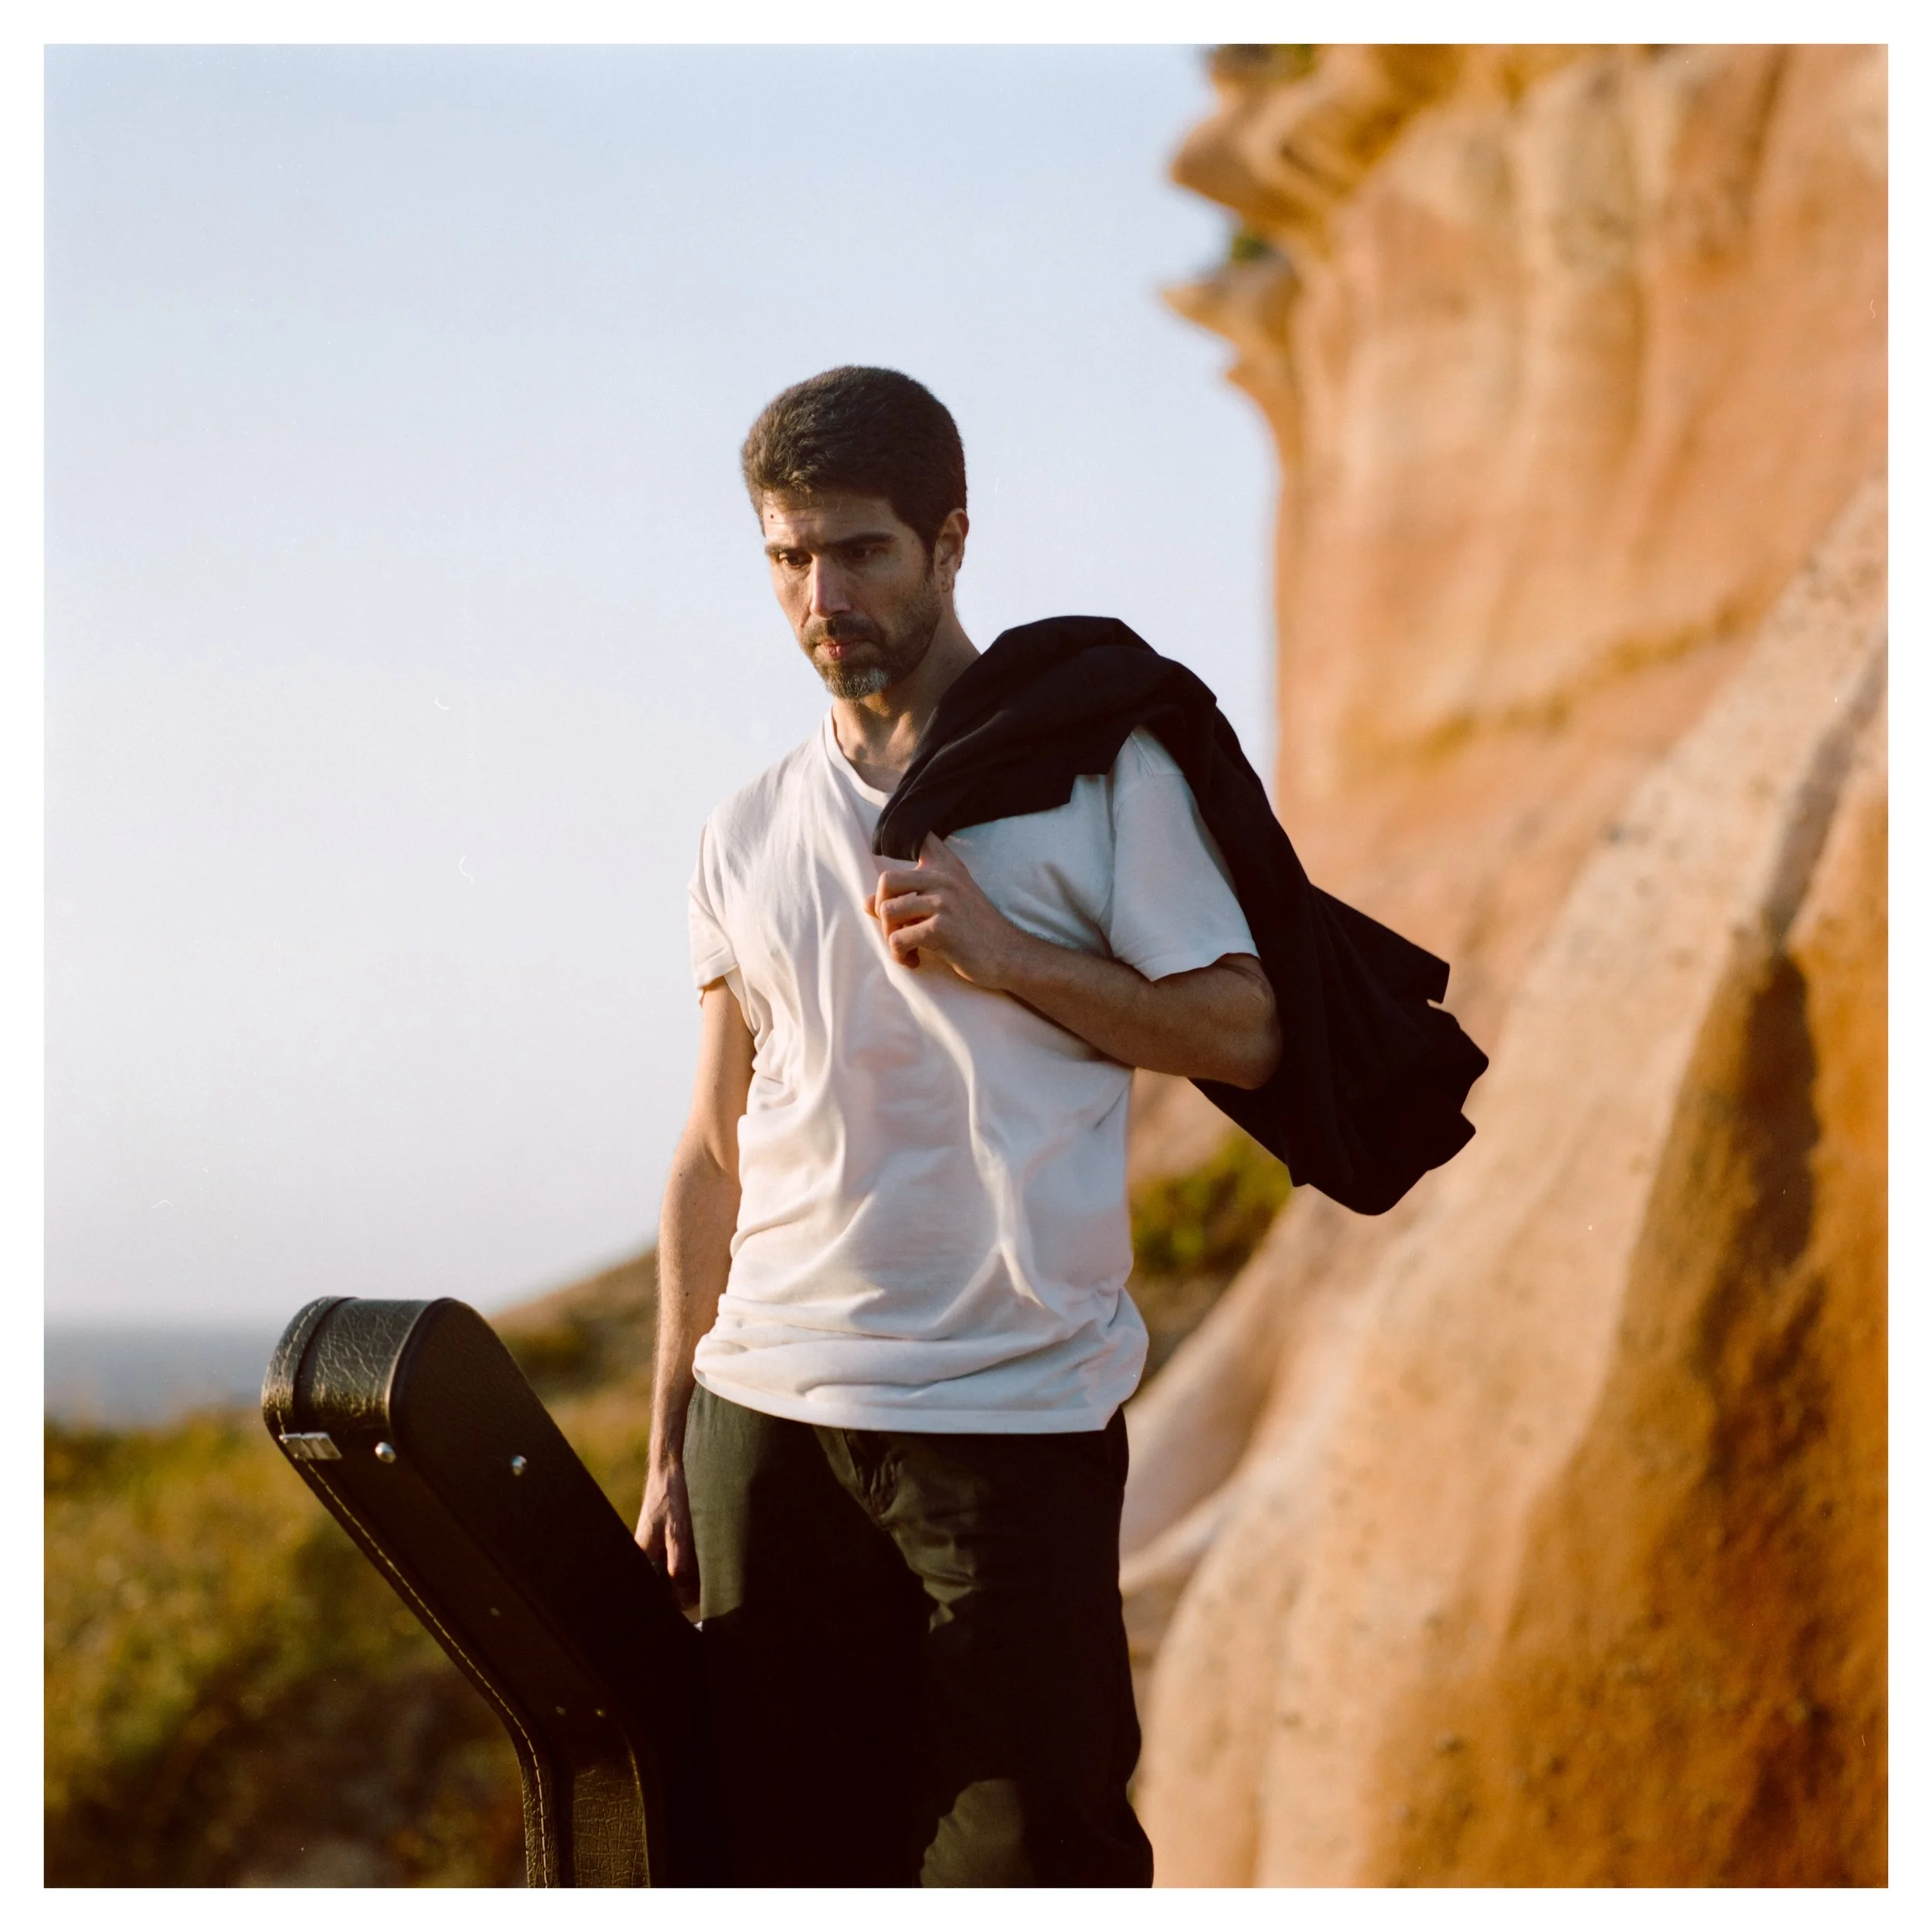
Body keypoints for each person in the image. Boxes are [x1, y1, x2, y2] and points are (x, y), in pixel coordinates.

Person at [634, 365, 1281, 1887]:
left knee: (1031, 1864)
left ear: (950, 540)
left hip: (1010, 1420)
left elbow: (1243, 1031)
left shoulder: (1098, 774)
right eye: (788, 556)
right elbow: (714, 1145)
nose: (821, 597)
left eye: (860, 550)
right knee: (789, 1866)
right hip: (765, 1421)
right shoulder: (744, 827)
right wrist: (668, 1435)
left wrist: (1010, 956)